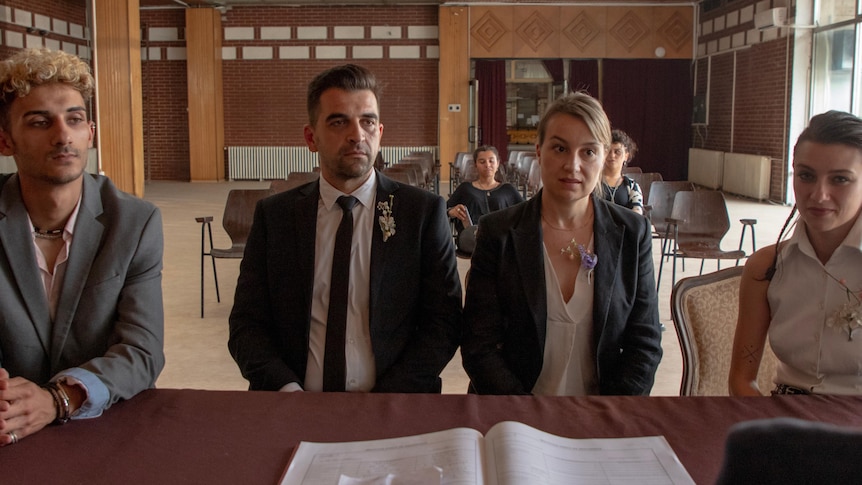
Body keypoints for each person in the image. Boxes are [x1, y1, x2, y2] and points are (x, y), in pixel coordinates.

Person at [228, 64, 462, 393]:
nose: (356, 135)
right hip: (292, 406)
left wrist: (390, 398)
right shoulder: (275, 216)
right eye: (339, 122)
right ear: (311, 137)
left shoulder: (421, 213)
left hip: (394, 407)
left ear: (380, 133)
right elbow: (247, 324)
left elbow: (444, 322)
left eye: (367, 121)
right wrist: (283, 389)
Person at [0, 48, 165, 446]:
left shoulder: (135, 222)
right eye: (40, 122)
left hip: (100, 427)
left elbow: (142, 351)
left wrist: (58, 399)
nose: (62, 136)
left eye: (74, 120)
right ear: (5, 141)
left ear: (90, 131)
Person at [460, 92, 662, 395]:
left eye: (588, 152)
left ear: (605, 155)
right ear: (539, 151)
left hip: (602, 417)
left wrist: (608, 414)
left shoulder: (633, 233)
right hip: (514, 414)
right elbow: (479, 346)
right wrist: (526, 416)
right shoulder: (498, 232)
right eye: (560, 148)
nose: (573, 165)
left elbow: (644, 345)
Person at [729, 110, 862, 396]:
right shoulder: (766, 267)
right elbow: (741, 380)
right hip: (787, 415)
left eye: (840, 179)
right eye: (806, 176)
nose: (818, 194)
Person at [447, 145, 523, 235]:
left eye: (491, 161)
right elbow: (444, 210)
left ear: (498, 164)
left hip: (500, 241)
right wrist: (451, 212)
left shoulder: (508, 189)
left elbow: (525, 214)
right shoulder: (465, 188)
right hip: (471, 241)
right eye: (482, 162)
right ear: (475, 165)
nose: (487, 165)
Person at [600, 129, 643, 215]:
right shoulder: (592, 182)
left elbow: (637, 215)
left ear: (626, 156)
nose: (612, 155)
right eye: (608, 151)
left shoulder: (632, 186)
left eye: (617, 152)